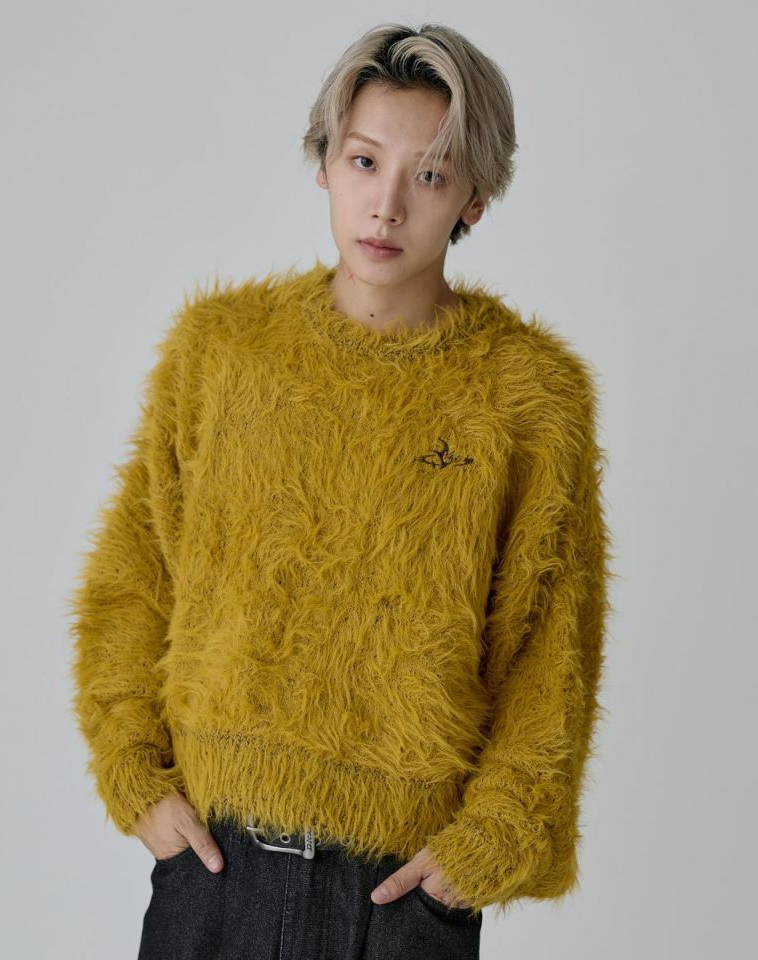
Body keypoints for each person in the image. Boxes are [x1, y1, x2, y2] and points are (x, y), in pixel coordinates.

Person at [69, 20, 613, 960]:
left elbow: (551, 649)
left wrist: (487, 843)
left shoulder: (527, 397)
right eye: (364, 161)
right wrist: (133, 771)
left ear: (475, 199)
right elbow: (135, 578)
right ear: (324, 163)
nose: (387, 206)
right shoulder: (222, 354)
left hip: (399, 897)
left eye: (430, 175)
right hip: (215, 875)